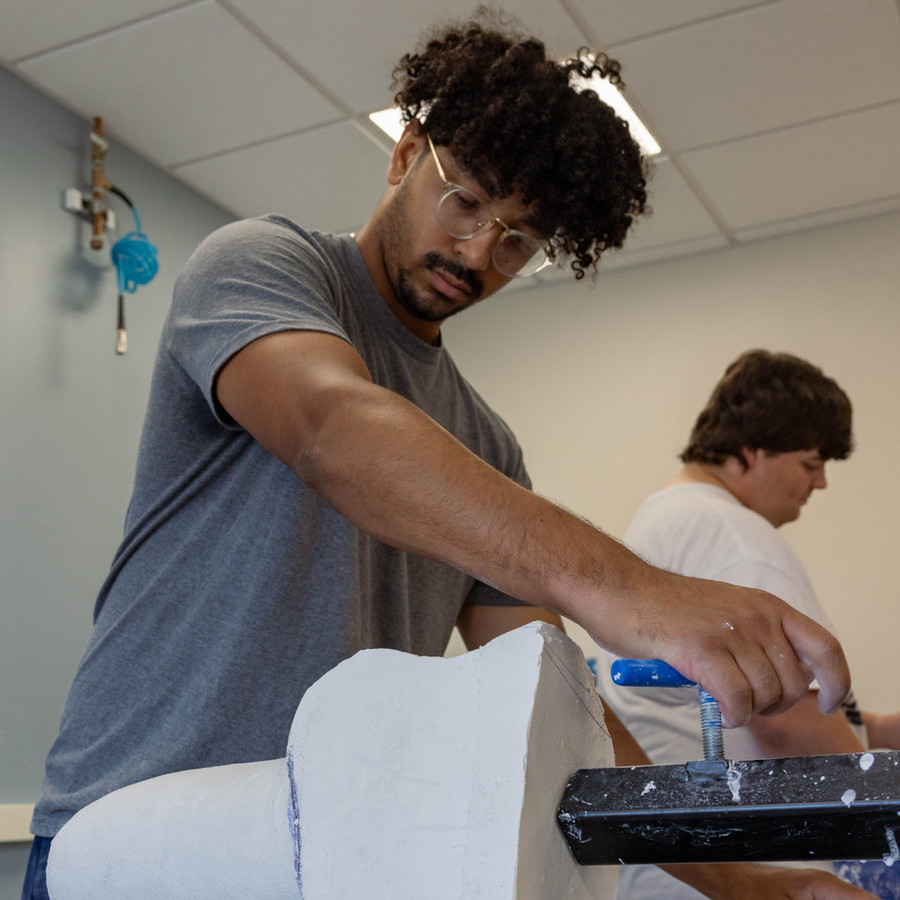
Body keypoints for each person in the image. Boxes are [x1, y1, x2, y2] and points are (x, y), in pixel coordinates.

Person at [25, 15, 872, 900]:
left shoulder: (486, 447)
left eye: (518, 240)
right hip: (125, 836)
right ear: (406, 153)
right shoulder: (260, 267)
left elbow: (561, 709)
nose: (477, 251)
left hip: (313, 855)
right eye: (465, 199)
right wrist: (631, 588)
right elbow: (332, 430)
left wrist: (748, 885)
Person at [595, 349, 900, 899]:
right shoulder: (737, 540)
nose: (822, 483)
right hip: (746, 863)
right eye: (811, 463)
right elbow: (787, 726)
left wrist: (877, 733)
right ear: (749, 450)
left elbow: (797, 711)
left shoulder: (671, 517)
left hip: (679, 859)